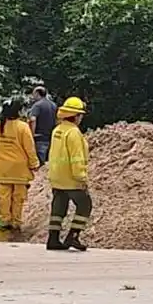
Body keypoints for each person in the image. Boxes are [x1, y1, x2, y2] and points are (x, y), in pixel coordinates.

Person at [0, 97, 40, 234]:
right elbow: (29, 148)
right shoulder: (23, 127)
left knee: (4, 197)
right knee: (18, 198)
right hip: (19, 170)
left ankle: (5, 221)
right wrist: (34, 164)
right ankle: (16, 222)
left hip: (2, 169)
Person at [47, 96, 91, 252]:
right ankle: (73, 235)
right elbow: (76, 158)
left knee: (59, 207)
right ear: (77, 116)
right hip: (71, 178)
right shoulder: (73, 133)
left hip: (56, 176)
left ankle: (53, 238)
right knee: (85, 205)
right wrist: (82, 178)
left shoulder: (57, 130)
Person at [28, 85, 57, 164]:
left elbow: (33, 120)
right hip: (51, 137)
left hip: (39, 138)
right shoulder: (53, 105)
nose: (33, 96)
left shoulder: (37, 105)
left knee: (40, 164)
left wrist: (31, 135)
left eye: (34, 94)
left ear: (37, 93)